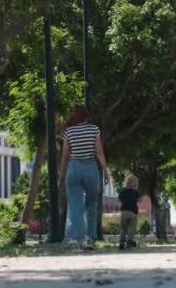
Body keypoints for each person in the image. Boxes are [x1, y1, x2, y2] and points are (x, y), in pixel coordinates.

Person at [60, 105, 109, 250]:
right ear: (86, 116)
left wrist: (62, 174)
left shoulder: (68, 132)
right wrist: (105, 170)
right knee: (92, 204)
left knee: (75, 206)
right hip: (91, 168)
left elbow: (65, 155)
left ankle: (77, 239)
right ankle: (89, 239)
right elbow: (99, 153)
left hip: (73, 169)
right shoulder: (94, 129)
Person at [118, 174, 141, 250]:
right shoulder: (136, 192)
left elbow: (119, 199)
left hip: (124, 212)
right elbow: (140, 200)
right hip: (133, 213)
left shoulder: (123, 191)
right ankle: (129, 242)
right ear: (135, 184)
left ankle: (121, 242)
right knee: (132, 228)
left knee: (123, 228)